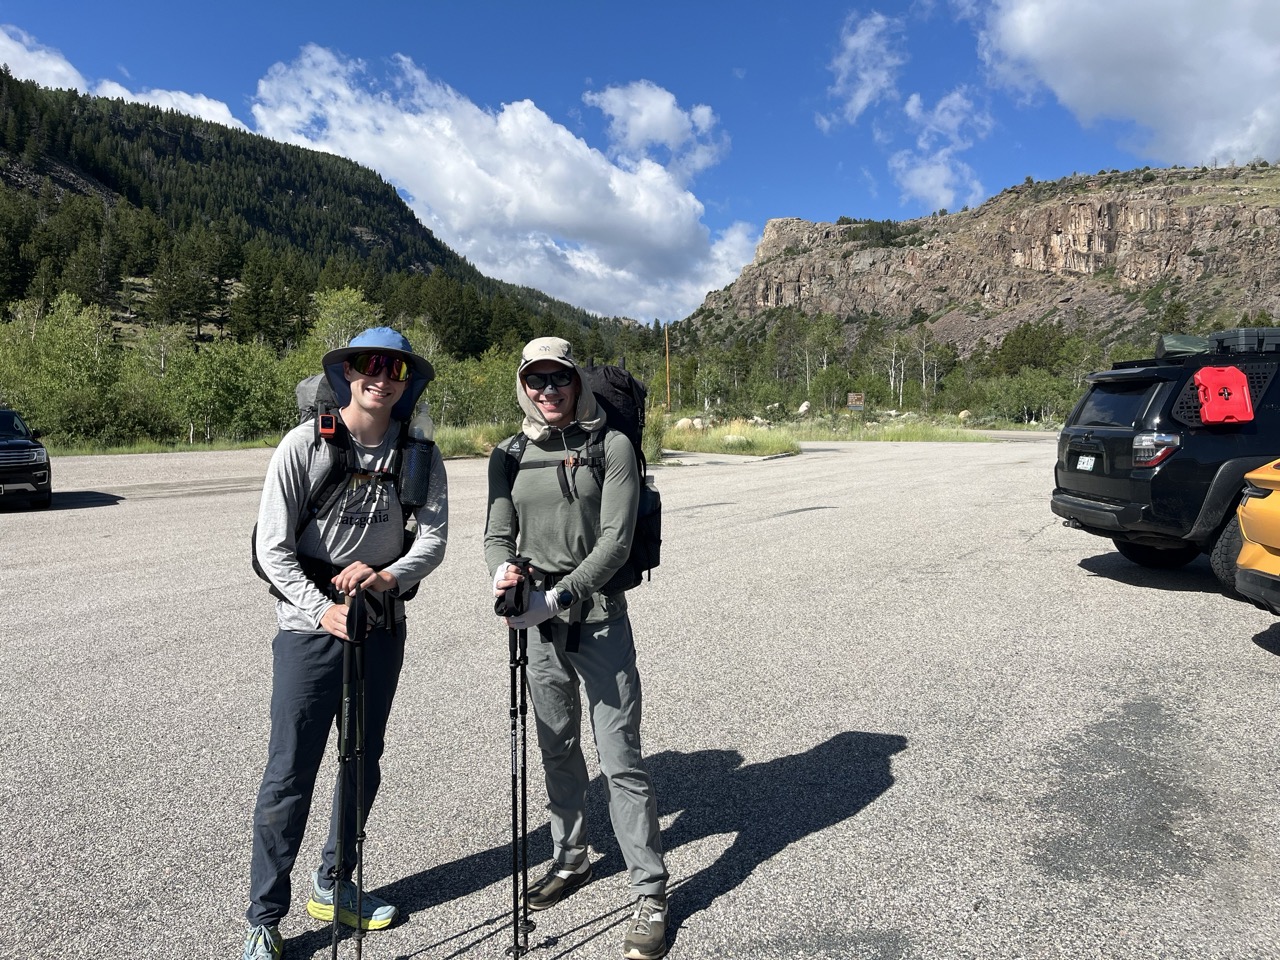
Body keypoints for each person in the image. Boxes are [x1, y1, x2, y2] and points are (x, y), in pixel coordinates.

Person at [242, 327, 448, 960]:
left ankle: (334, 883)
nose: (380, 377)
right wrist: (321, 609)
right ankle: (264, 918)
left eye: (394, 368)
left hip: (380, 626)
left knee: (362, 760)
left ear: (407, 381)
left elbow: (433, 541)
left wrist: (387, 577)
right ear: (347, 373)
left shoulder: (419, 454)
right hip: (308, 632)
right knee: (289, 772)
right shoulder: (304, 445)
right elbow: (271, 548)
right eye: (368, 364)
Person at [484, 336, 670, 960]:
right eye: (535, 380)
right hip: (538, 626)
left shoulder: (610, 445)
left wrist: (557, 597)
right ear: (523, 386)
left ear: (577, 381)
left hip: (597, 619)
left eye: (558, 378)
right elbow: (497, 532)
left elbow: (615, 541)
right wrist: (502, 573)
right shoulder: (509, 453)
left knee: (621, 759)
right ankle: (572, 858)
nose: (548, 390)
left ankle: (650, 893)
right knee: (557, 747)